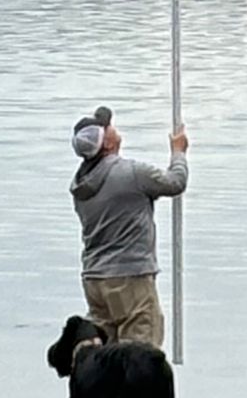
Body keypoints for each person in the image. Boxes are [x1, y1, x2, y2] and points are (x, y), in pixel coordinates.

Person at [70, 103, 188, 349]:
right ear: (108, 143)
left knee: (105, 356)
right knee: (139, 353)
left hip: (95, 279)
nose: (112, 126)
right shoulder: (131, 174)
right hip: (130, 278)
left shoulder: (81, 185)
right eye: (108, 126)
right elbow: (175, 182)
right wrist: (178, 152)